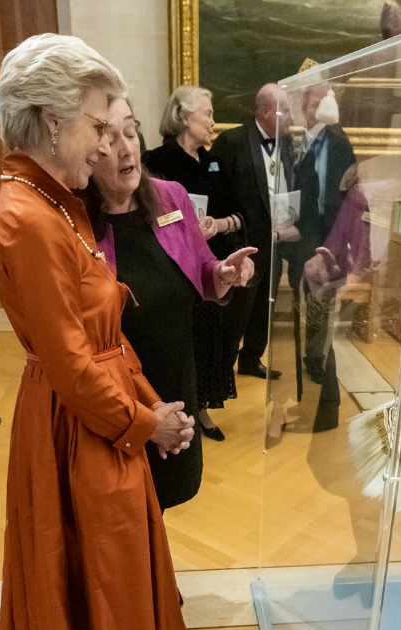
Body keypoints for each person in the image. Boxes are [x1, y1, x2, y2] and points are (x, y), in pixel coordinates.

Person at [0, 33, 195, 630]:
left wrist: (146, 403)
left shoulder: (55, 207)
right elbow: (73, 366)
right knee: (95, 558)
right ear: (52, 121)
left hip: (92, 413)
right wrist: (146, 423)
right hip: (79, 426)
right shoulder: (28, 219)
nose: (107, 147)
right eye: (98, 128)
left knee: (98, 555)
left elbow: (95, 342)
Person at [87, 96, 255, 509]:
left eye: (131, 130)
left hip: (178, 381)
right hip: (118, 399)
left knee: (166, 496)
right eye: (110, 137)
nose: (127, 147)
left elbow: (202, 269)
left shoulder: (171, 197)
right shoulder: (74, 222)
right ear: (87, 153)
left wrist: (222, 274)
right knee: (124, 510)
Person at [143, 86, 240, 440]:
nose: (213, 122)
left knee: (208, 343)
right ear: (184, 117)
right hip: (172, 271)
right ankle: (171, 413)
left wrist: (219, 225)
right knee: (177, 347)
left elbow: (234, 211)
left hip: (208, 268)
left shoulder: (213, 163)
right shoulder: (156, 161)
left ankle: (200, 410)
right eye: (208, 114)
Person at [208, 83, 299, 381]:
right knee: (235, 313)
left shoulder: (288, 145)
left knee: (264, 307)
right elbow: (216, 198)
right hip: (241, 244)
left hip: (275, 242)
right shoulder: (230, 142)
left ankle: (252, 359)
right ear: (265, 110)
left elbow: (287, 187)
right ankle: (223, 370)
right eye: (284, 110)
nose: (290, 117)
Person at [292, 83, 356, 387]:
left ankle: (314, 357)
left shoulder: (341, 144)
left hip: (329, 229)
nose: (317, 111)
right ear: (305, 108)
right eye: (312, 105)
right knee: (297, 290)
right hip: (296, 229)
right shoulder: (291, 144)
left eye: (323, 105)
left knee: (321, 295)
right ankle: (291, 354)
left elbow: (351, 193)